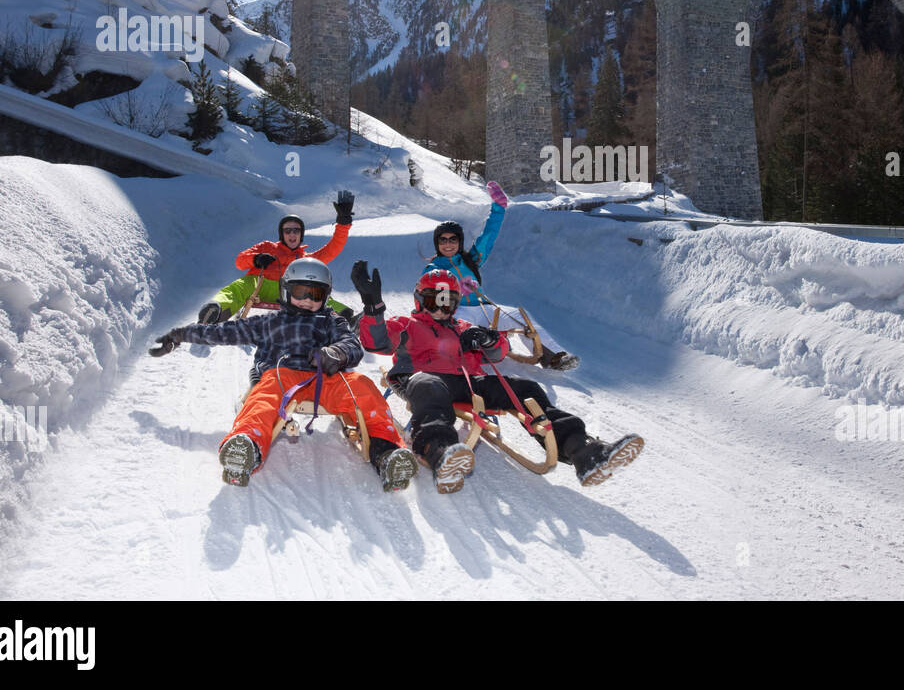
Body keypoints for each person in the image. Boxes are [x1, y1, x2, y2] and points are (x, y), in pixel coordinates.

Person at [352, 260, 642, 493]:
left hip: (469, 383)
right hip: (421, 377)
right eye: (434, 300)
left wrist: (488, 340)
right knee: (431, 387)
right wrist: (373, 308)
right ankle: (439, 450)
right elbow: (375, 341)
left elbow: (499, 353)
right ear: (419, 301)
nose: (441, 308)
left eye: (448, 301)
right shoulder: (407, 324)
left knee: (526, 389)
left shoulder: (462, 326)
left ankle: (583, 451)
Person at [149, 257, 416, 491]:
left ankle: (388, 452)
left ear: (325, 296)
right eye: (301, 292)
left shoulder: (331, 321)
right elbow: (222, 333)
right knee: (265, 394)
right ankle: (246, 447)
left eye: (316, 294)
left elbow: (352, 344)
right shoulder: (269, 323)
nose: (308, 300)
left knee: (362, 386)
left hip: (325, 379)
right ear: (286, 291)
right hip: (283, 377)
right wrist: (180, 334)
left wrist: (336, 354)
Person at [428, 182, 578, 371]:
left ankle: (554, 356)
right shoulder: (433, 268)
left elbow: (488, 236)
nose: (448, 244)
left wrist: (498, 208)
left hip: (484, 308)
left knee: (520, 316)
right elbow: (427, 294)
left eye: (453, 239)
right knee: (462, 329)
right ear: (437, 243)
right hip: (459, 312)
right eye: (443, 240)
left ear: (459, 242)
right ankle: (469, 358)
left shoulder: (470, 260)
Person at [198, 191, 355, 325]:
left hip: (290, 292)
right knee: (240, 286)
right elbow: (240, 261)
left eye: (296, 230)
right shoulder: (267, 247)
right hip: (259, 286)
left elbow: (331, 250)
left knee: (315, 291)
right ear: (282, 234)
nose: (292, 234)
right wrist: (256, 259)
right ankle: (216, 311)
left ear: (301, 235)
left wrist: (343, 224)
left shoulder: (304, 258)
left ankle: (346, 318)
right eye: (288, 231)